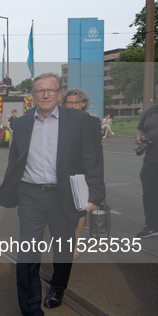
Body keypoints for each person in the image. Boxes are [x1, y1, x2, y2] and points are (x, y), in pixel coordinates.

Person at [0, 73, 105, 316]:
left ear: (59, 94)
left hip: (64, 195)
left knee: (63, 247)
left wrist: (96, 194)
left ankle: (57, 287)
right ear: (32, 94)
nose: (45, 95)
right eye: (39, 91)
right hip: (31, 194)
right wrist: (13, 189)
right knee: (27, 255)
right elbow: (15, 160)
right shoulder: (20, 124)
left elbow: (92, 159)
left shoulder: (81, 121)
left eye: (50, 90)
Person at [61, 88, 96, 258]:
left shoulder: (92, 122)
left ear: (83, 104)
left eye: (76, 102)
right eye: (69, 102)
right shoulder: (59, 121)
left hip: (82, 174)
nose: (73, 105)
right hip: (63, 172)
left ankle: (75, 242)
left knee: (80, 208)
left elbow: (96, 154)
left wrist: (98, 179)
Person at [135, 84, 158, 238]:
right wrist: (139, 138)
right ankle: (152, 226)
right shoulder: (150, 112)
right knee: (149, 195)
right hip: (151, 160)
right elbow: (139, 128)